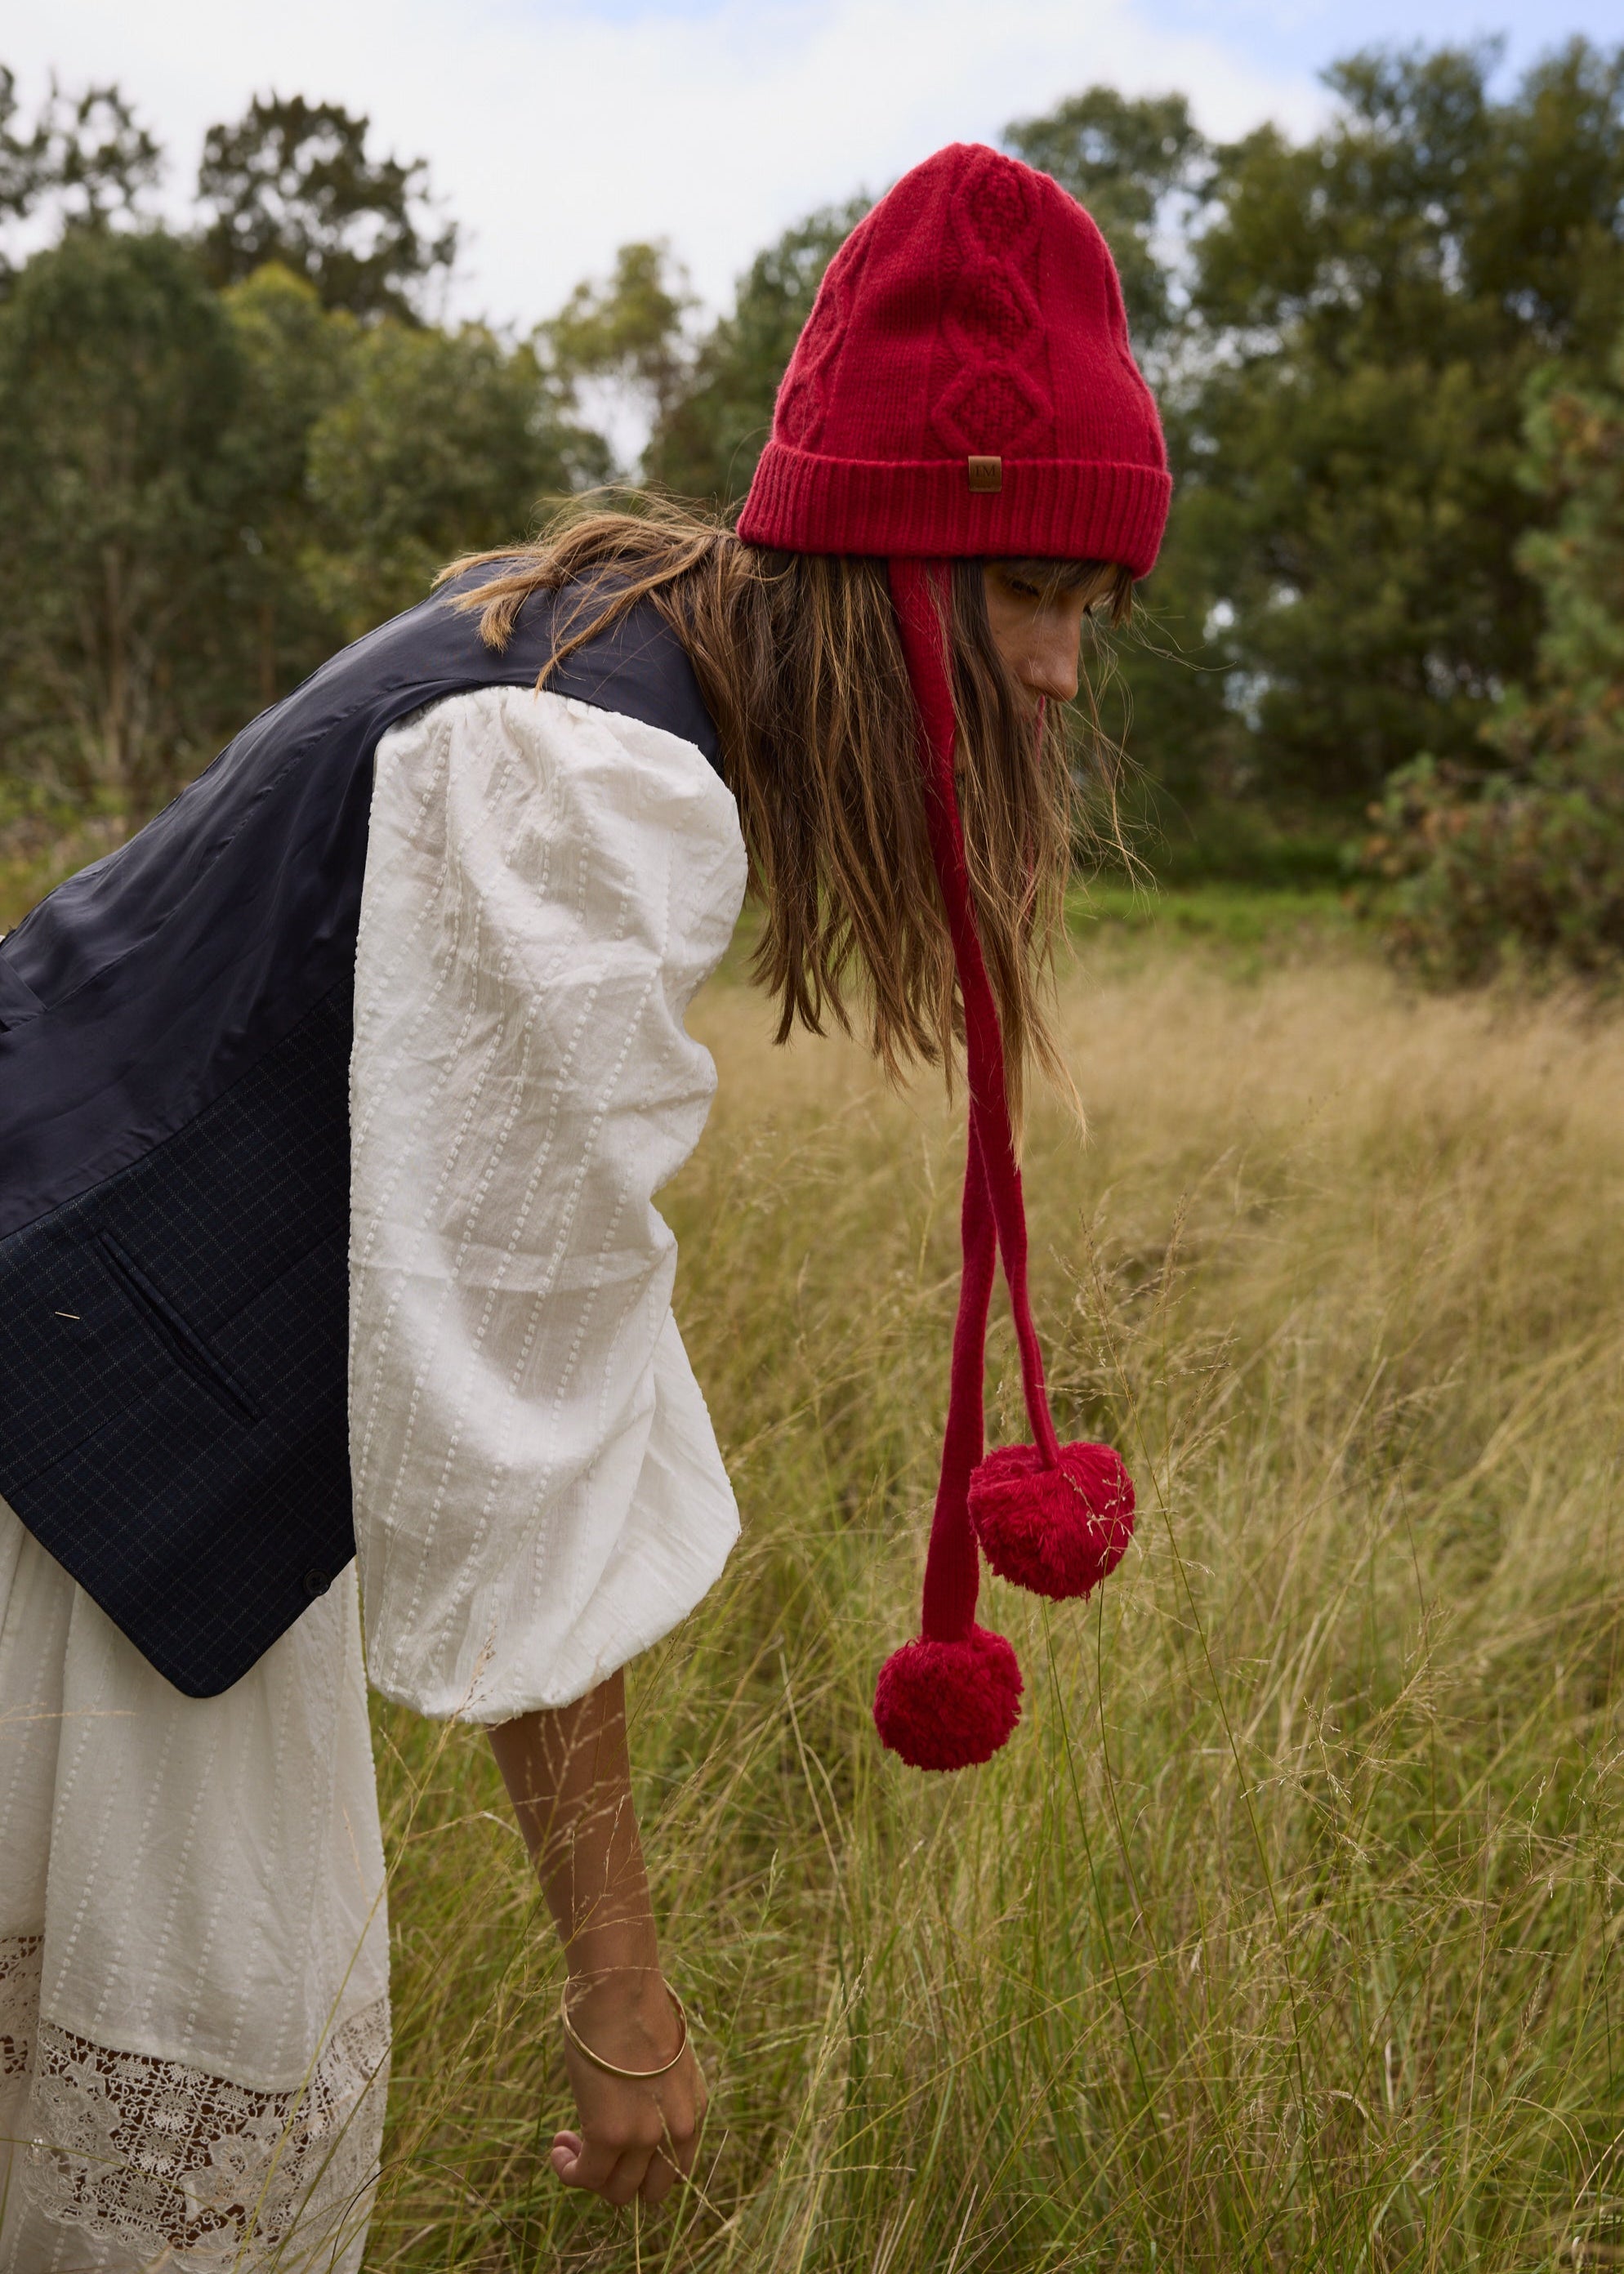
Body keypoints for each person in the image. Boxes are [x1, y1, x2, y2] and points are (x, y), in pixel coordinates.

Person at [0, 140, 1169, 2267]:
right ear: (886, 558)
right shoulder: (591, 781)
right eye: (1028, 592)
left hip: (92, 1440)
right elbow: (504, 1409)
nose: (1060, 678)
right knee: (193, 2163)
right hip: (60, 1495)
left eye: (1088, 612)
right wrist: (619, 1997)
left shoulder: (590, 637)